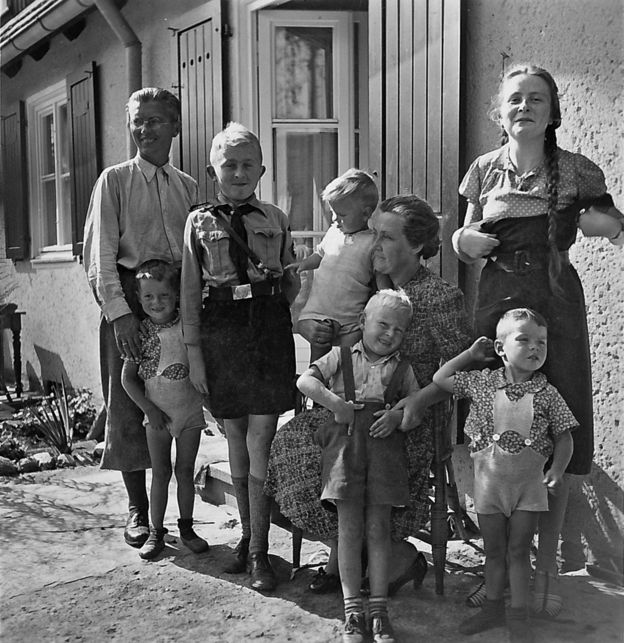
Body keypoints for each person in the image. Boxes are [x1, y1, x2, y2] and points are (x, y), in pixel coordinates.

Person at [453, 64, 624, 616]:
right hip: (496, 299)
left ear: (552, 112)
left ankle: (542, 582)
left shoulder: (575, 170)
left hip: (554, 301)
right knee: (493, 416)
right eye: (515, 100)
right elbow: (465, 231)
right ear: (499, 113)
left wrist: (608, 224)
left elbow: (613, 223)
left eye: (536, 99)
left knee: (559, 414)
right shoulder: (481, 170)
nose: (524, 107)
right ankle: (498, 579)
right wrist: (461, 239)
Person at [265, 194, 473, 598]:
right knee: (291, 444)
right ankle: (348, 552)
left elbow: (466, 368)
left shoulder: (439, 297)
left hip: (406, 422)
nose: (373, 244)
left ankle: (390, 558)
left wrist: (418, 400)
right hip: (353, 411)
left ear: (415, 245)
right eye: (372, 233)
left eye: (386, 237)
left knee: (333, 460)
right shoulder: (371, 288)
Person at [181, 122, 299, 592]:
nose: (238, 172)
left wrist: (283, 279)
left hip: (267, 329)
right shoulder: (198, 221)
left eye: (248, 164)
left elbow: (290, 284)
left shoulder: (274, 216)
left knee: (261, 441)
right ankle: (248, 540)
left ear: (262, 170)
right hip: (221, 331)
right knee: (234, 438)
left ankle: (258, 554)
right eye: (229, 164)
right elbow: (190, 291)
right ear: (213, 170)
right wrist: (195, 354)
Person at [83, 88, 198, 548]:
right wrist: (120, 315)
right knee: (130, 400)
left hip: (176, 299)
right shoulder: (114, 181)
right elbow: (99, 256)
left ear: (174, 127)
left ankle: (181, 510)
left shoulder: (187, 186)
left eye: (155, 120)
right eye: (137, 121)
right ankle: (137, 509)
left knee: (178, 389)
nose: (145, 129)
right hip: (130, 299)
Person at [433, 308, 576, 643]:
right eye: (523, 339)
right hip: (489, 486)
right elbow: (441, 379)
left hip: (527, 488)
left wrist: (556, 469)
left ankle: (519, 616)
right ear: (500, 348)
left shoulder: (547, 393)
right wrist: (470, 354)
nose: (535, 347)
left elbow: (565, 437)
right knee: (495, 551)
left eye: (541, 341)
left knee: (518, 550)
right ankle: (493, 607)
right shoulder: (481, 382)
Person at [299, 289, 420, 643]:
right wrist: (334, 403)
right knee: (349, 531)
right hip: (344, 452)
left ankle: (379, 610)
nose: (390, 335)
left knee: (378, 530)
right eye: (383, 324)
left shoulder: (405, 368)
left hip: (384, 453)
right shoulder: (340, 357)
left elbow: (416, 408)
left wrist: (398, 417)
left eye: (399, 330)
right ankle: (353, 611)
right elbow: (305, 381)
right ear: (364, 322)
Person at [121, 260, 209, 559]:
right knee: (160, 473)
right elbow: (127, 380)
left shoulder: (188, 325)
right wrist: (150, 410)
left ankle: (187, 528)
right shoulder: (141, 333)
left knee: (185, 471)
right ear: (139, 298)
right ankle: (156, 531)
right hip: (157, 418)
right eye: (148, 297)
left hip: (190, 413)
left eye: (164, 296)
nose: (156, 303)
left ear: (176, 296)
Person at [291, 168, 390, 361]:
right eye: (333, 213)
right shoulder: (333, 233)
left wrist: (387, 299)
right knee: (318, 360)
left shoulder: (372, 242)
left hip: (350, 319)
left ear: (365, 213)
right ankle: (312, 390)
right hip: (319, 311)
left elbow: (381, 279)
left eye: (341, 214)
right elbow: (319, 254)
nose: (335, 219)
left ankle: (344, 390)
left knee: (346, 362)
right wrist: (302, 265)